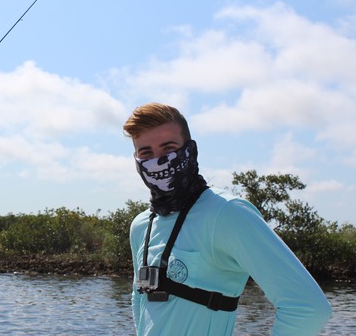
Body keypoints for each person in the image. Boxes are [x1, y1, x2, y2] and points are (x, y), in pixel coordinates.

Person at [123, 102, 331, 335]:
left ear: (191, 150)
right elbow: (138, 299)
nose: (157, 160)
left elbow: (309, 308)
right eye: (146, 153)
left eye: (168, 148)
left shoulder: (227, 213)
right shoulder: (142, 225)